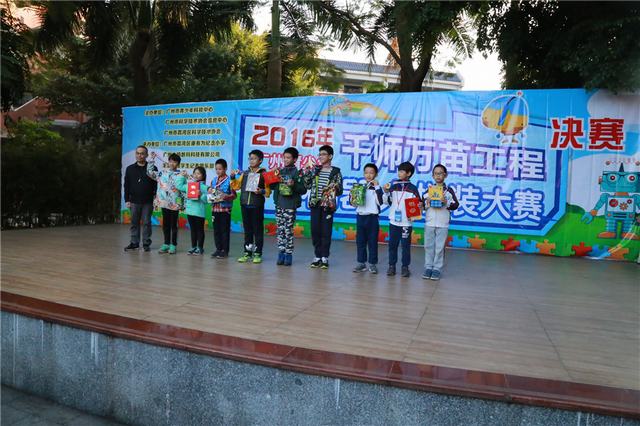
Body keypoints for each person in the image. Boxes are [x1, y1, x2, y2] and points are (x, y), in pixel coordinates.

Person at [303, 145, 343, 269]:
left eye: (324, 154)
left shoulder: (336, 172)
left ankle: (325, 257)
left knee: (326, 231)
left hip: (328, 205)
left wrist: (335, 187)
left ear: (330, 156)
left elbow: (340, 190)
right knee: (315, 230)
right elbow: (307, 185)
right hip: (315, 204)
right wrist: (307, 172)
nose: (321, 157)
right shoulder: (316, 170)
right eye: (319, 154)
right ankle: (317, 256)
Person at [230, 150, 270, 264]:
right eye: (250, 158)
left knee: (257, 230)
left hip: (257, 205)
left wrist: (261, 191)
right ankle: (247, 253)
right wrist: (232, 177)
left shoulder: (264, 174)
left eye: (254, 158)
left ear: (260, 160)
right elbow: (236, 186)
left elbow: (268, 191)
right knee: (247, 230)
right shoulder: (245, 173)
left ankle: (258, 253)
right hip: (245, 205)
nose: (251, 161)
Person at [269, 147, 307, 266]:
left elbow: (303, 189)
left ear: (294, 159)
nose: (285, 159)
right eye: (284, 157)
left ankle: (288, 254)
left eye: (288, 157)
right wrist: (272, 175)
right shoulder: (280, 171)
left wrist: (293, 184)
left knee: (288, 230)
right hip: (279, 204)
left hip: (290, 205)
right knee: (280, 230)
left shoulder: (298, 173)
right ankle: (281, 253)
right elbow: (272, 186)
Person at [383, 161, 421, 277]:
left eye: (402, 171)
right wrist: (386, 192)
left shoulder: (413, 189)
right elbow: (387, 202)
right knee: (392, 245)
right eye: (398, 171)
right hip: (394, 222)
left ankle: (405, 267)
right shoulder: (393, 186)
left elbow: (417, 204)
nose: (399, 173)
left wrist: (418, 209)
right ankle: (392, 266)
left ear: (409, 173)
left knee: (405, 246)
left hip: (406, 223)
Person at [422, 164, 459, 281]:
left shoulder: (449, 191)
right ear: (432, 176)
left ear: (445, 175)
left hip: (443, 224)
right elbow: (422, 206)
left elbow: (455, 205)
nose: (438, 175)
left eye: (440, 173)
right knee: (428, 246)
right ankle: (428, 267)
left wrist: (446, 202)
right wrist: (426, 202)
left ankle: (437, 269)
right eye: (436, 173)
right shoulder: (428, 190)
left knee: (439, 247)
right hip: (429, 223)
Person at [147, 152, 183, 254]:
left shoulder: (181, 175)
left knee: (173, 225)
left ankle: (173, 245)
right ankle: (166, 243)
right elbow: (149, 172)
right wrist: (151, 159)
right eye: (170, 161)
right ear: (168, 162)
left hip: (175, 204)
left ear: (178, 163)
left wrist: (182, 204)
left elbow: (184, 190)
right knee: (166, 224)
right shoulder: (162, 173)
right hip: (164, 202)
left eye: (174, 162)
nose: (172, 163)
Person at [124, 145, 157, 252]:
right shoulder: (130, 169)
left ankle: (146, 243)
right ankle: (134, 243)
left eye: (142, 153)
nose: (140, 155)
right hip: (133, 201)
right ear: (135, 154)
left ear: (146, 155)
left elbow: (156, 184)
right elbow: (126, 185)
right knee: (134, 222)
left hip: (148, 201)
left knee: (147, 223)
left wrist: (155, 197)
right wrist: (126, 200)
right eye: (137, 153)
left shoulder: (152, 168)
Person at [353, 163, 384, 274]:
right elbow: (354, 203)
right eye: (366, 172)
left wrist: (377, 187)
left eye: (371, 173)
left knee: (372, 241)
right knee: (360, 241)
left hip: (372, 218)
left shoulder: (377, 188)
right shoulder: (360, 186)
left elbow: (380, 202)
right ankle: (361, 263)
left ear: (376, 174)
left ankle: (372, 264)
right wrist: (353, 198)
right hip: (360, 217)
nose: (368, 175)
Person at [175, 167, 209, 255]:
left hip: (199, 212)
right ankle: (193, 247)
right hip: (190, 211)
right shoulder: (189, 185)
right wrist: (182, 176)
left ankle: (200, 248)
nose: (196, 175)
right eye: (195, 173)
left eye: (199, 173)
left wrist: (201, 195)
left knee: (200, 230)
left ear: (203, 176)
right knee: (193, 230)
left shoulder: (204, 187)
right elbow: (179, 186)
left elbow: (207, 200)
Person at [208, 159, 236, 259]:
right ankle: (218, 249)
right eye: (216, 169)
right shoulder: (214, 180)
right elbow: (211, 192)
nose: (218, 171)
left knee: (224, 230)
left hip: (225, 209)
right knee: (216, 230)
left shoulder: (229, 181)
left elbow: (234, 195)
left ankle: (225, 251)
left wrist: (226, 196)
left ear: (225, 169)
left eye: (220, 169)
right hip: (215, 209)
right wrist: (209, 192)